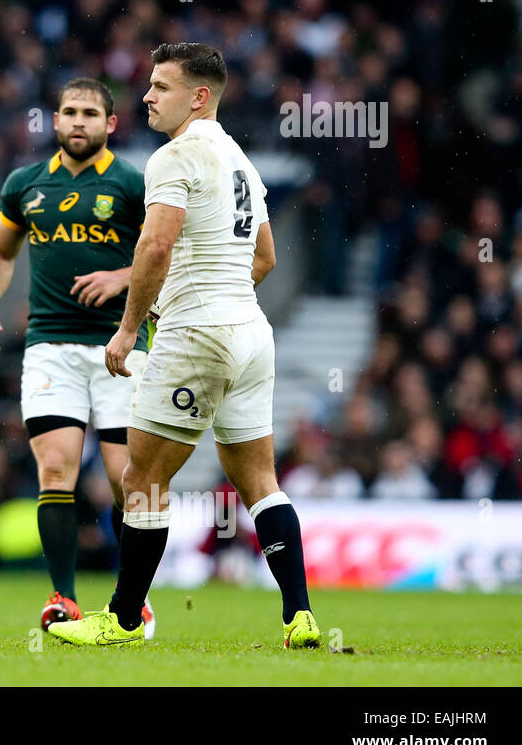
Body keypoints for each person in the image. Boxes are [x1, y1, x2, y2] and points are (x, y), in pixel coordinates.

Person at [48, 43, 321, 649]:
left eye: (161, 87)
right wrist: (218, 297)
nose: (147, 97)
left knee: (142, 477)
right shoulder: (242, 162)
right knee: (260, 482)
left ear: (199, 97)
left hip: (198, 334)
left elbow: (155, 245)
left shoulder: (174, 156)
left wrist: (129, 327)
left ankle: (122, 619)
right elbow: (266, 257)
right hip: (251, 335)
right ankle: (299, 616)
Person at [0, 77, 156, 636]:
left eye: (90, 113)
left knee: (128, 480)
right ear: (55, 121)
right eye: (70, 112)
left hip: (120, 345)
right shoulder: (25, 184)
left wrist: (122, 276)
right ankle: (64, 599)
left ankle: (133, 599)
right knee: (55, 469)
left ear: (110, 124)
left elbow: (167, 251)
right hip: (49, 346)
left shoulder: (133, 183)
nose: (79, 121)